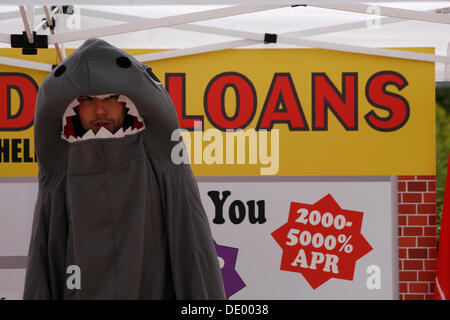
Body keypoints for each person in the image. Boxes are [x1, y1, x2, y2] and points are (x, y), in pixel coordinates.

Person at [23, 38, 226, 300]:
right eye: (86, 100)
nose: (99, 109)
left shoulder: (162, 167)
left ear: (127, 102)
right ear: (74, 109)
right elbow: (44, 259)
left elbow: (193, 251)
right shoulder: (61, 174)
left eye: (110, 98)